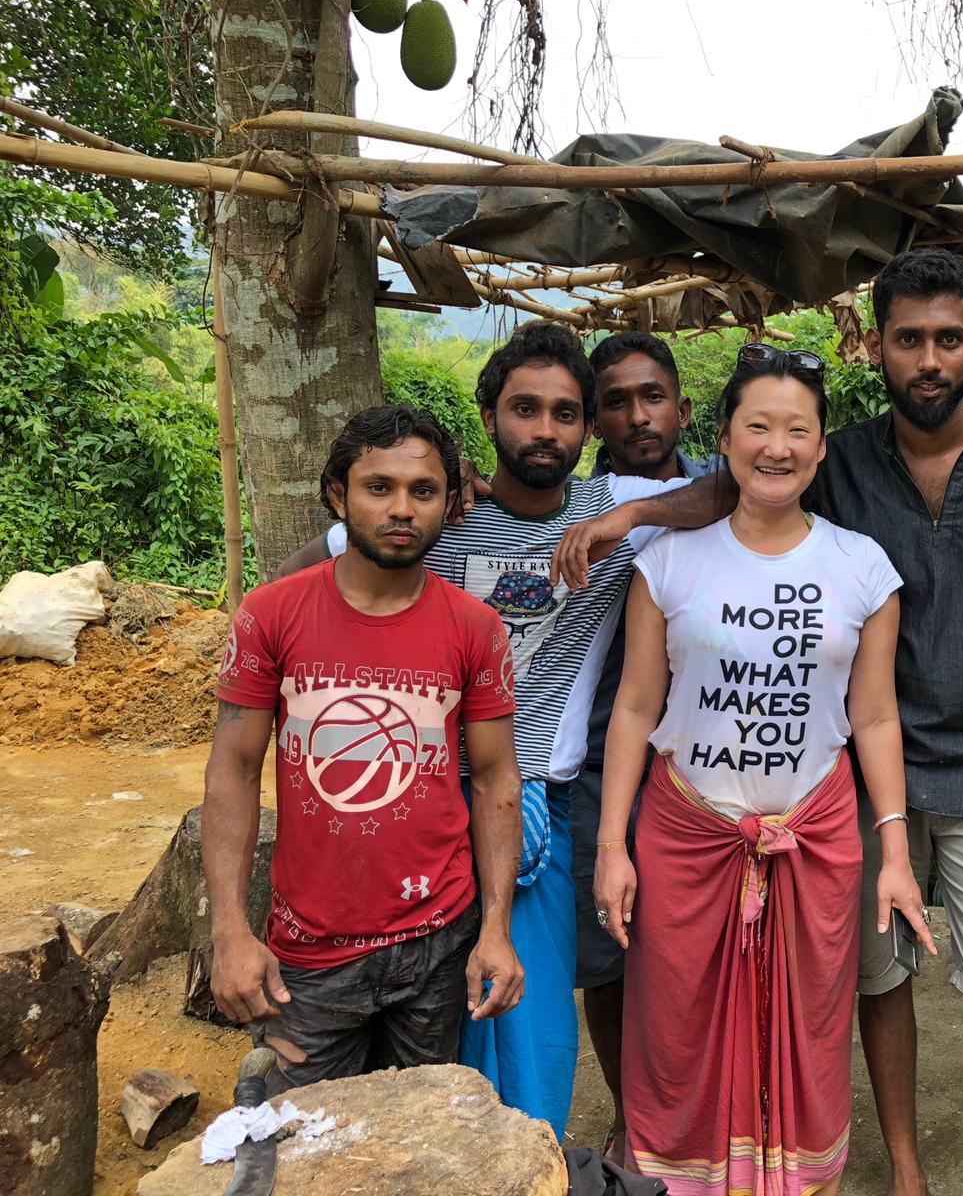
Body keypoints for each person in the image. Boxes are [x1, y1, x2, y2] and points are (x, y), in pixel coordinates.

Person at [553, 248, 963, 1196]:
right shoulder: (835, 467)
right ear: (875, 347)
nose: (929, 360)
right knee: (855, 993)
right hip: (796, 803)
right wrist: (631, 516)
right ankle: (894, 1172)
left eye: (948, 340)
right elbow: (731, 501)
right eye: (908, 340)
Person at [288, 323, 691, 1136]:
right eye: (524, 409)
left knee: (530, 1019)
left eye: (566, 414)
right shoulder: (439, 511)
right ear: (488, 417)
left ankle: (527, 1159)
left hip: (537, 799)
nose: (545, 430)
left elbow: (732, 491)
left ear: (589, 428)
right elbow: (304, 567)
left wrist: (629, 515)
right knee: (430, 1016)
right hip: (419, 802)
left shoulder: (608, 510)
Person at [594, 345, 936, 1195]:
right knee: (673, 1032)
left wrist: (895, 854)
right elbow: (635, 707)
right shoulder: (668, 563)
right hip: (685, 839)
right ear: (724, 439)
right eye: (757, 427)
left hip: (815, 843)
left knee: (810, 1037)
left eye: (797, 430)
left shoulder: (863, 567)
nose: (776, 448)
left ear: (821, 447)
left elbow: (874, 717)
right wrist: (612, 847)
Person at [203, 405, 524, 1093]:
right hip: (310, 949)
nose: (402, 508)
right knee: (300, 1134)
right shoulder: (271, 614)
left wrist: (495, 928)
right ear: (337, 495)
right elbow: (233, 769)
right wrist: (229, 929)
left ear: (449, 503)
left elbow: (496, 778)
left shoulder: (477, 628)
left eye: (423, 490)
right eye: (379, 487)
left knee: (421, 1129)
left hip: (438, 940)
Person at [576, 331, 719, 1160]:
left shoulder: (728, 482)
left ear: (684, 408)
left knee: (697, 955)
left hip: (708, 773)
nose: (638, 415)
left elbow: (742, 486)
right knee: (610, 958)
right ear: (595, 419)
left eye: (653, 396)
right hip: (603, 765)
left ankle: (704, 1112)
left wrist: (633, 513)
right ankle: (633, 1118)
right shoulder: (573, 504)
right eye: (617, 402)